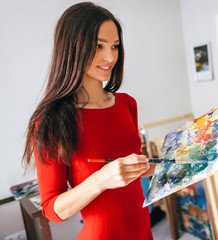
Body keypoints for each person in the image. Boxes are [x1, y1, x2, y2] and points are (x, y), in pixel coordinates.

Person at [23, 2, 155, 239]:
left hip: (143, 230)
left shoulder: (127, 104)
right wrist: (100, 180)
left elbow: (131, 170)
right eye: (98, 46)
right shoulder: (51, 121)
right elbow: (51, 209)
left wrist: (178, 162)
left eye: (115, 46)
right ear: (72, 49)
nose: (110, 57)